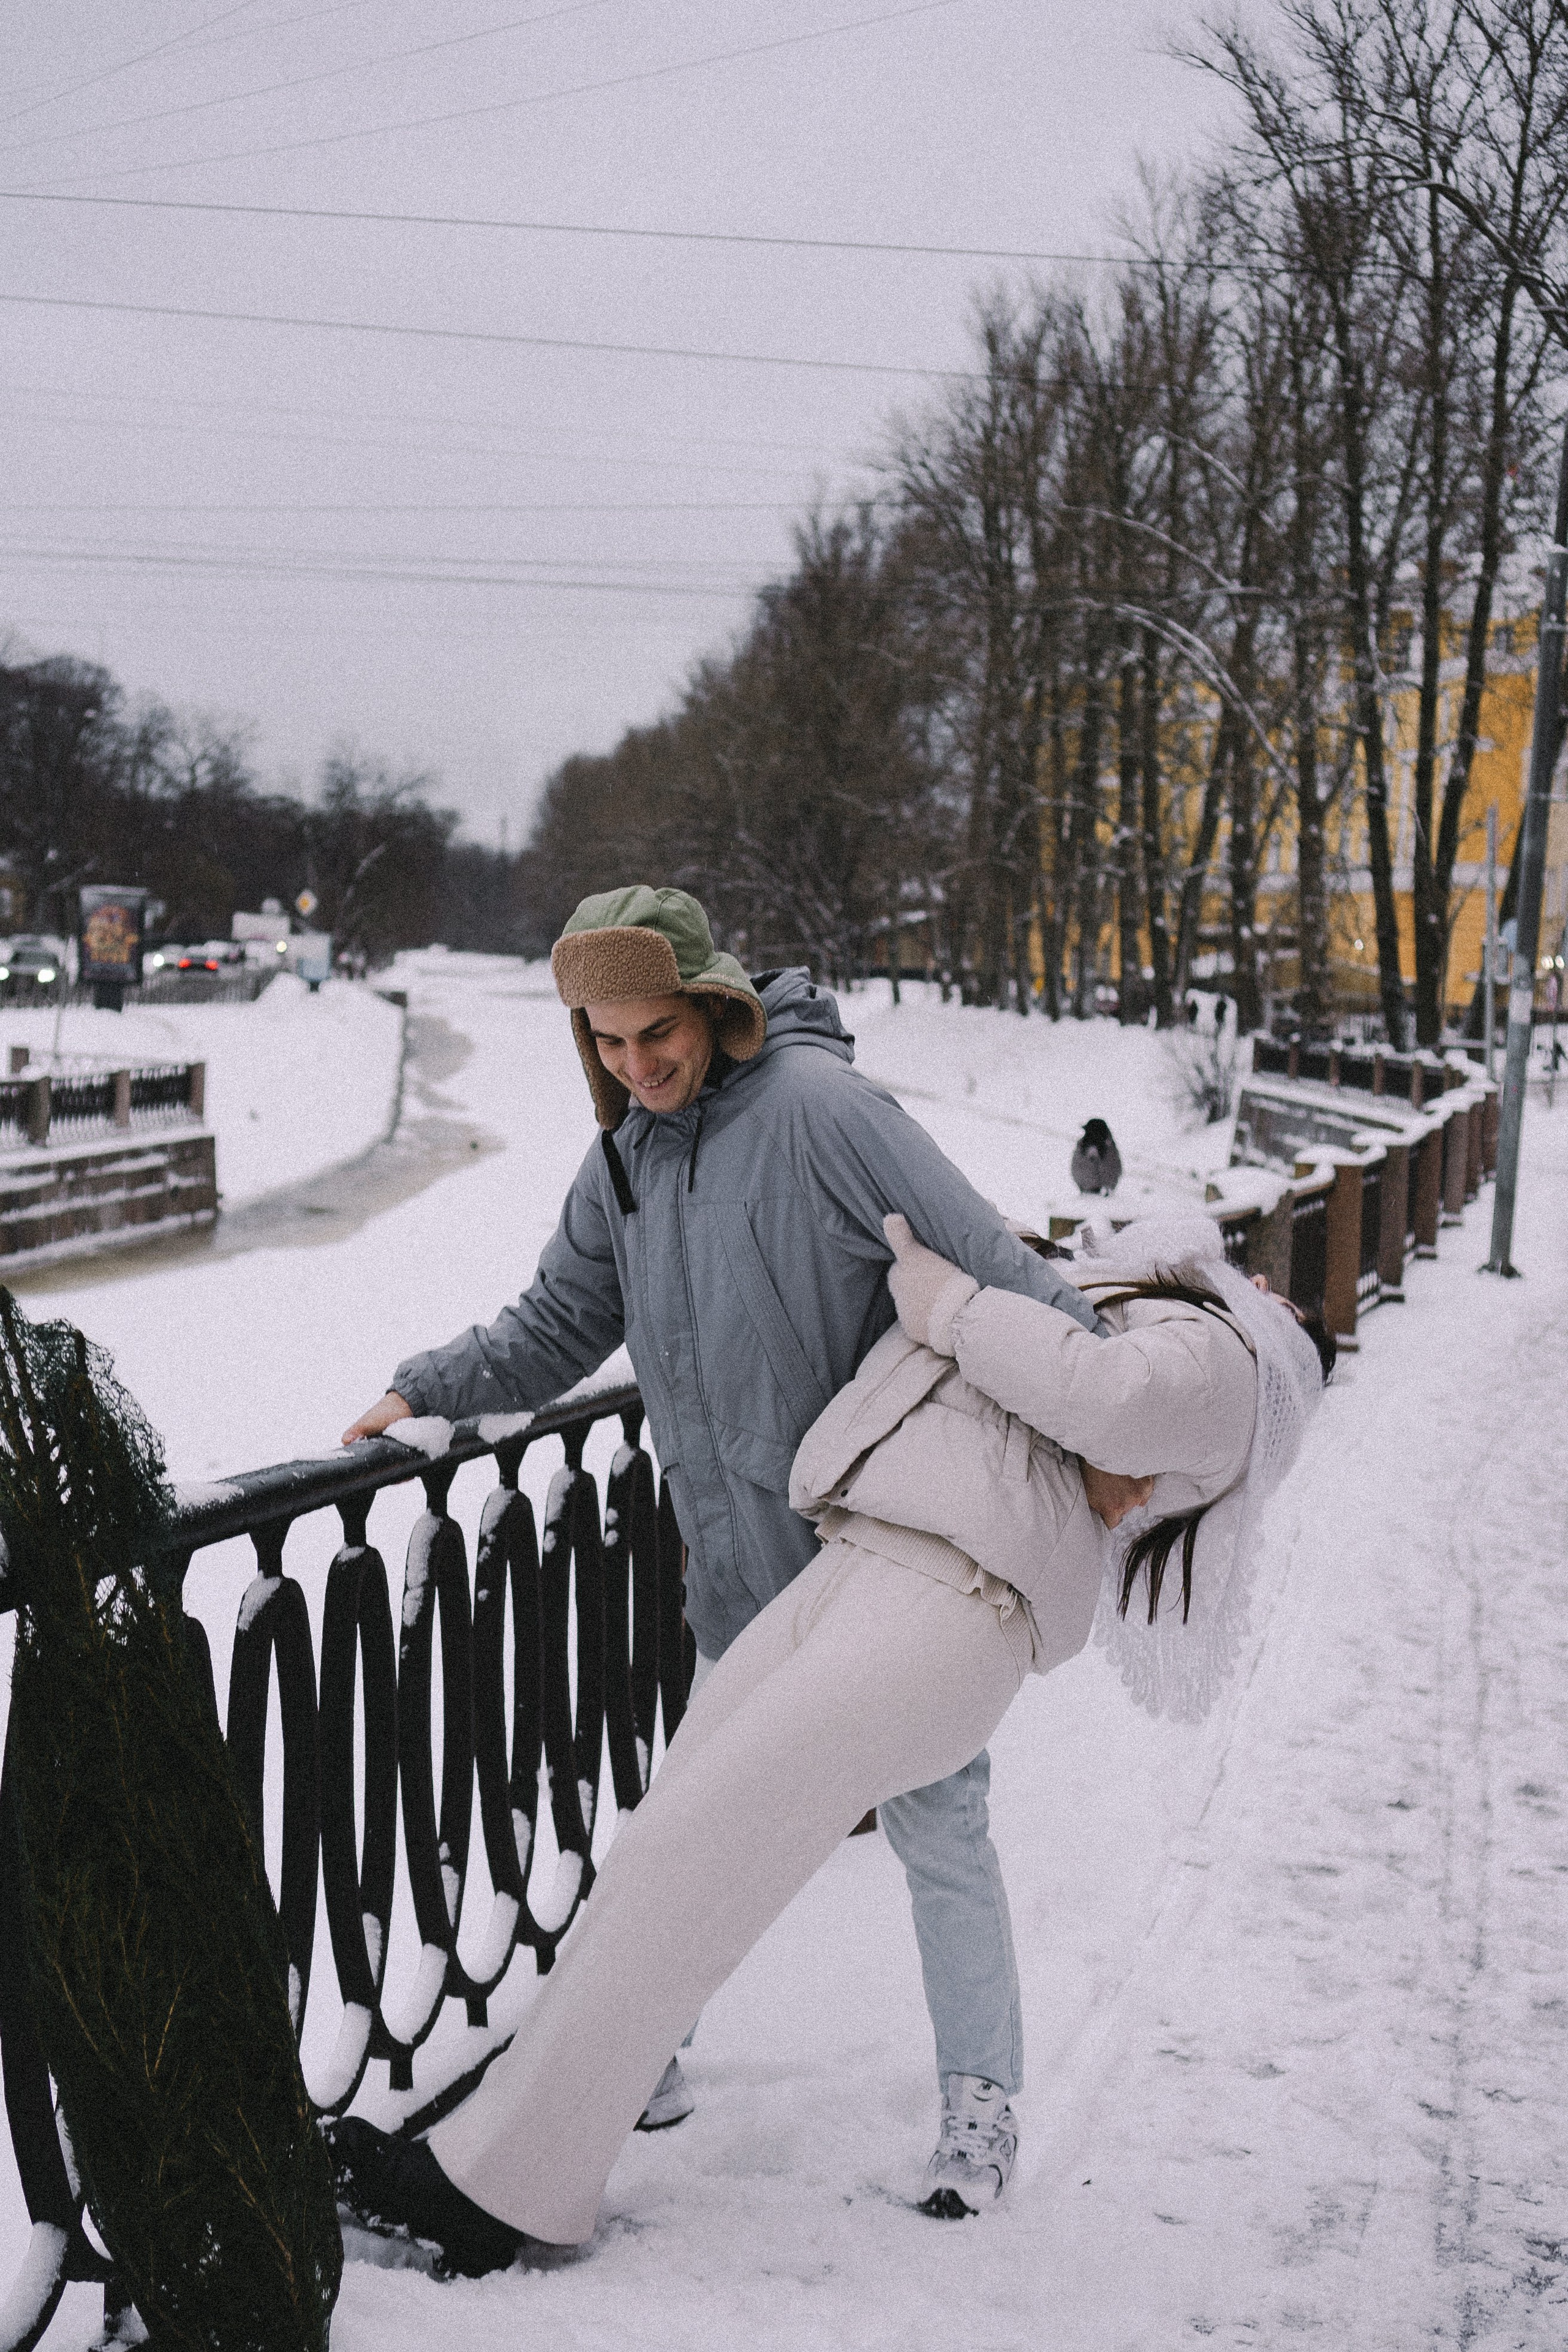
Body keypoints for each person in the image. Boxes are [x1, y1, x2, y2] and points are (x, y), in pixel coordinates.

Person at [329, 1210, 1332, 2272]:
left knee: (694, 1863)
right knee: (668, 1844)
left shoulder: (1225, 1357)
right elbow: (1066, 1383)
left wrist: (948, 1305)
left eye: (1288, 1304)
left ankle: (496, 2192)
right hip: (874, 1553)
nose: (1268, 1283)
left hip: (949, 1596)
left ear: (1286, 1356)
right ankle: (510, 2161)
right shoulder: (1164, 1316)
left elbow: (1100, 1395)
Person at [342, 884, 1109, 2192]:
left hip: (889, 1568)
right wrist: (421, 1388)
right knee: (687, 1829)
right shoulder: (626, 1166)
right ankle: (643, 2060)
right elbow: (553, 1327)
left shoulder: (823, 1113)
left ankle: (979, 2102)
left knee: (937, 1826)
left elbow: (1004, 1277)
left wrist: (1112, 1432)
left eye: (657, 1034)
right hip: (740, 1574)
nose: (637, 1066)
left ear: (713, 1004)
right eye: (606, 1041)